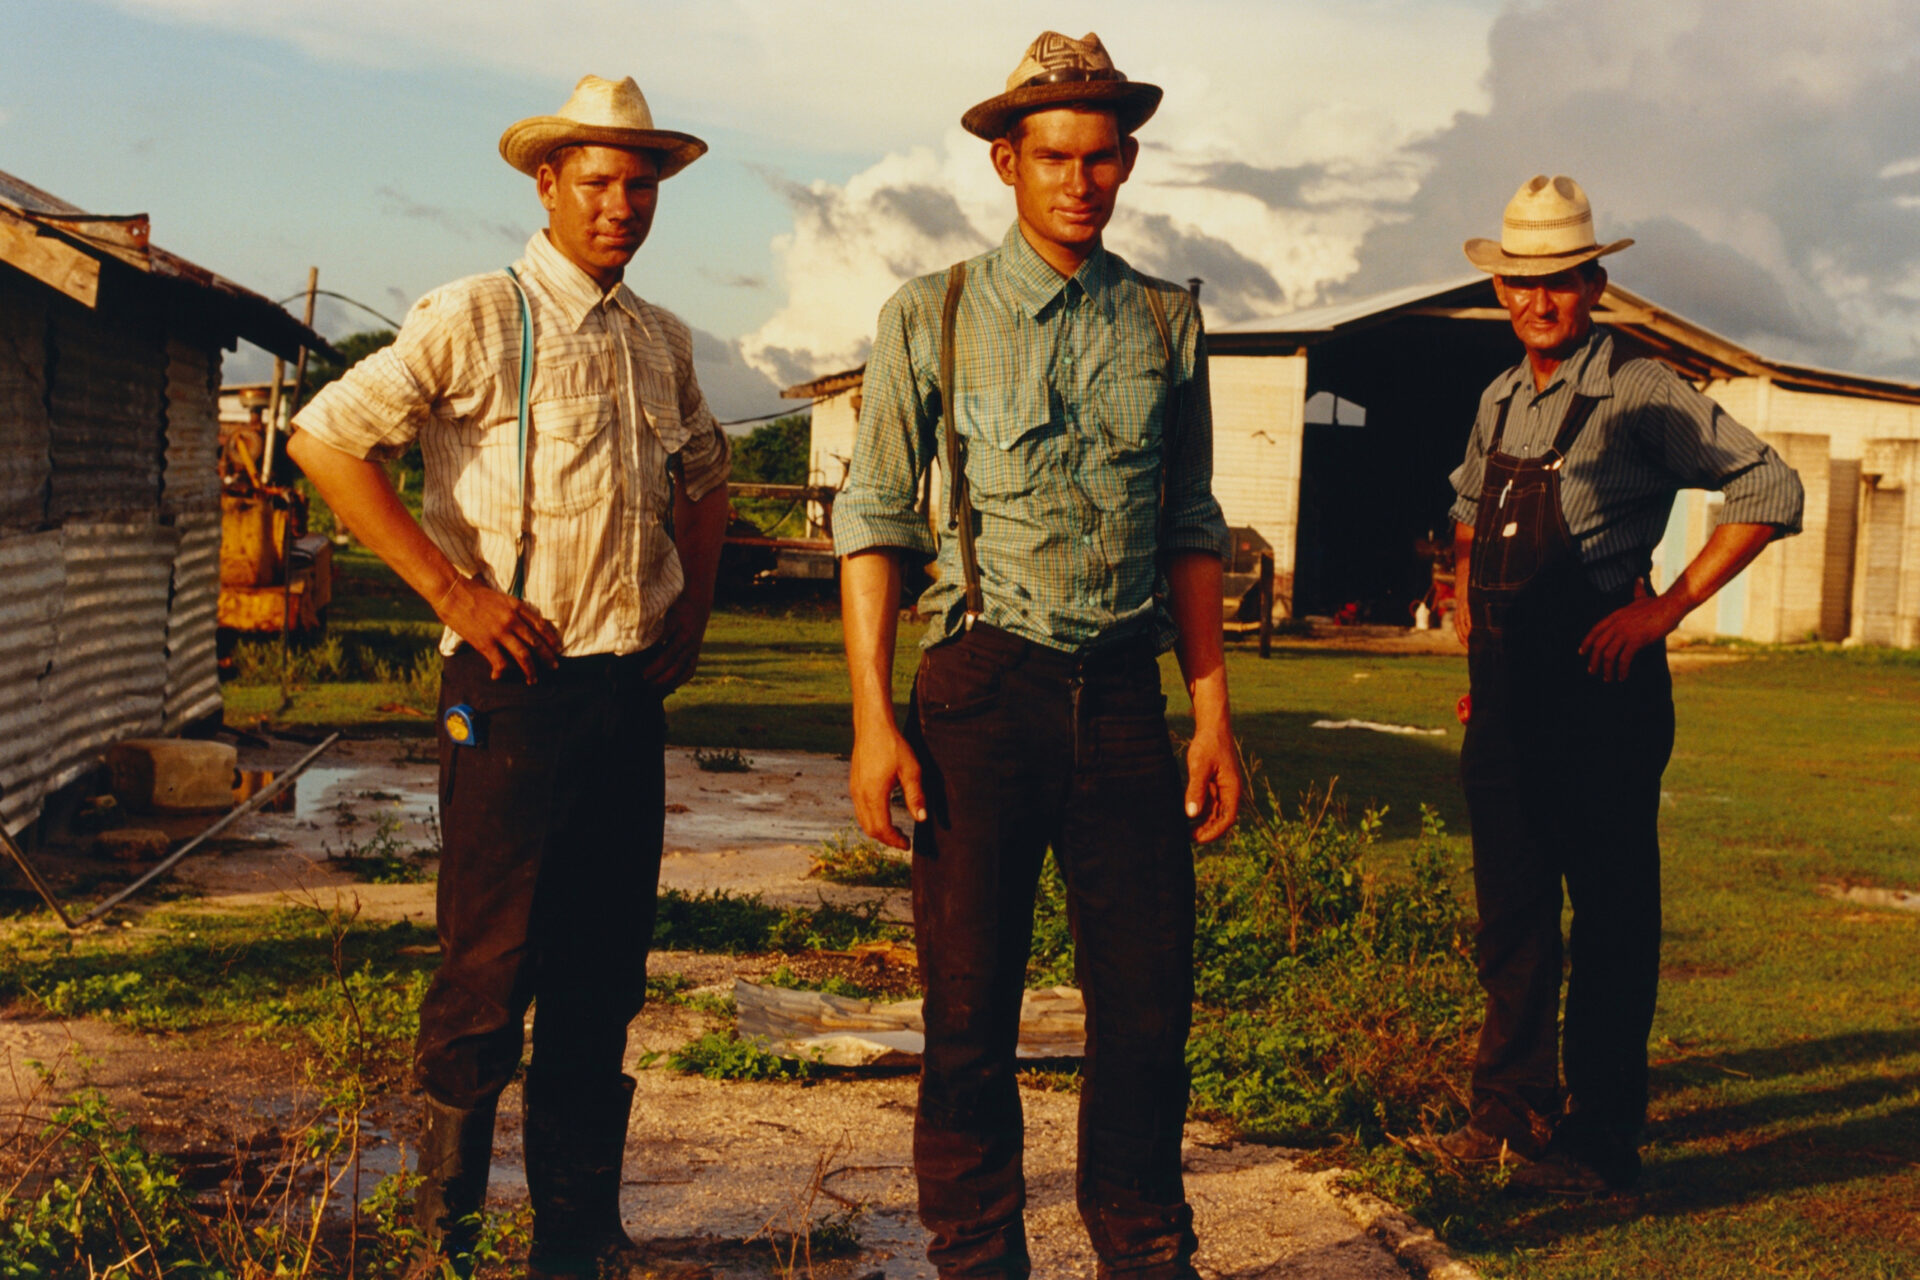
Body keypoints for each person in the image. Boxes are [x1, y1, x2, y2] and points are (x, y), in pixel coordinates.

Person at [287, 75, 730, 1278]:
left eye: (641, 185)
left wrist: (691, 603)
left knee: (602, 972)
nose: (621, 205)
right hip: (511, 691)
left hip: (619, 693)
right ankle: (448, 1243)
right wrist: (452, 592)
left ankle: (577, 1240)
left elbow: (706, 473)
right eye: (598, 181)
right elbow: (325, 438)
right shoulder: (477, 313)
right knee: (490, 968)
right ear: (547, 184)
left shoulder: (660, 336)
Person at [834, 31, 1241, 1279]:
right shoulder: (933, 312)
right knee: (966, 1016)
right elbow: (875, 519)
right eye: (1054, 155)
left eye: (1104, 156)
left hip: (1122, 694)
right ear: (1005, 162)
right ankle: (975, 1254)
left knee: (1148, 1015)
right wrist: (870, 718)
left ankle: (1143, 1249)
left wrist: (1212, 714)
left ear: (1127, 164)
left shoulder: (1167, 322)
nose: (1081, 180)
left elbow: (1189, 523)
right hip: (976, 690)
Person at [1439, 175, 1804, 1194]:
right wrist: (1475, 627)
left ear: (1595, 283)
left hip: (1604, 696)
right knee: (1509, 914)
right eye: (1519, 283)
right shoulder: (1499, 397)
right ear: (1500, 288)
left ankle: (1600, 1140)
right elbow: (1471, 510)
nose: (1538, 301)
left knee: (1608, 919)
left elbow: (1771, 487)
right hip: (1511, 701)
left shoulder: (1640, 390)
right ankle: (1506, 1113)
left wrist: (1663, 608)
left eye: (1559, 282)